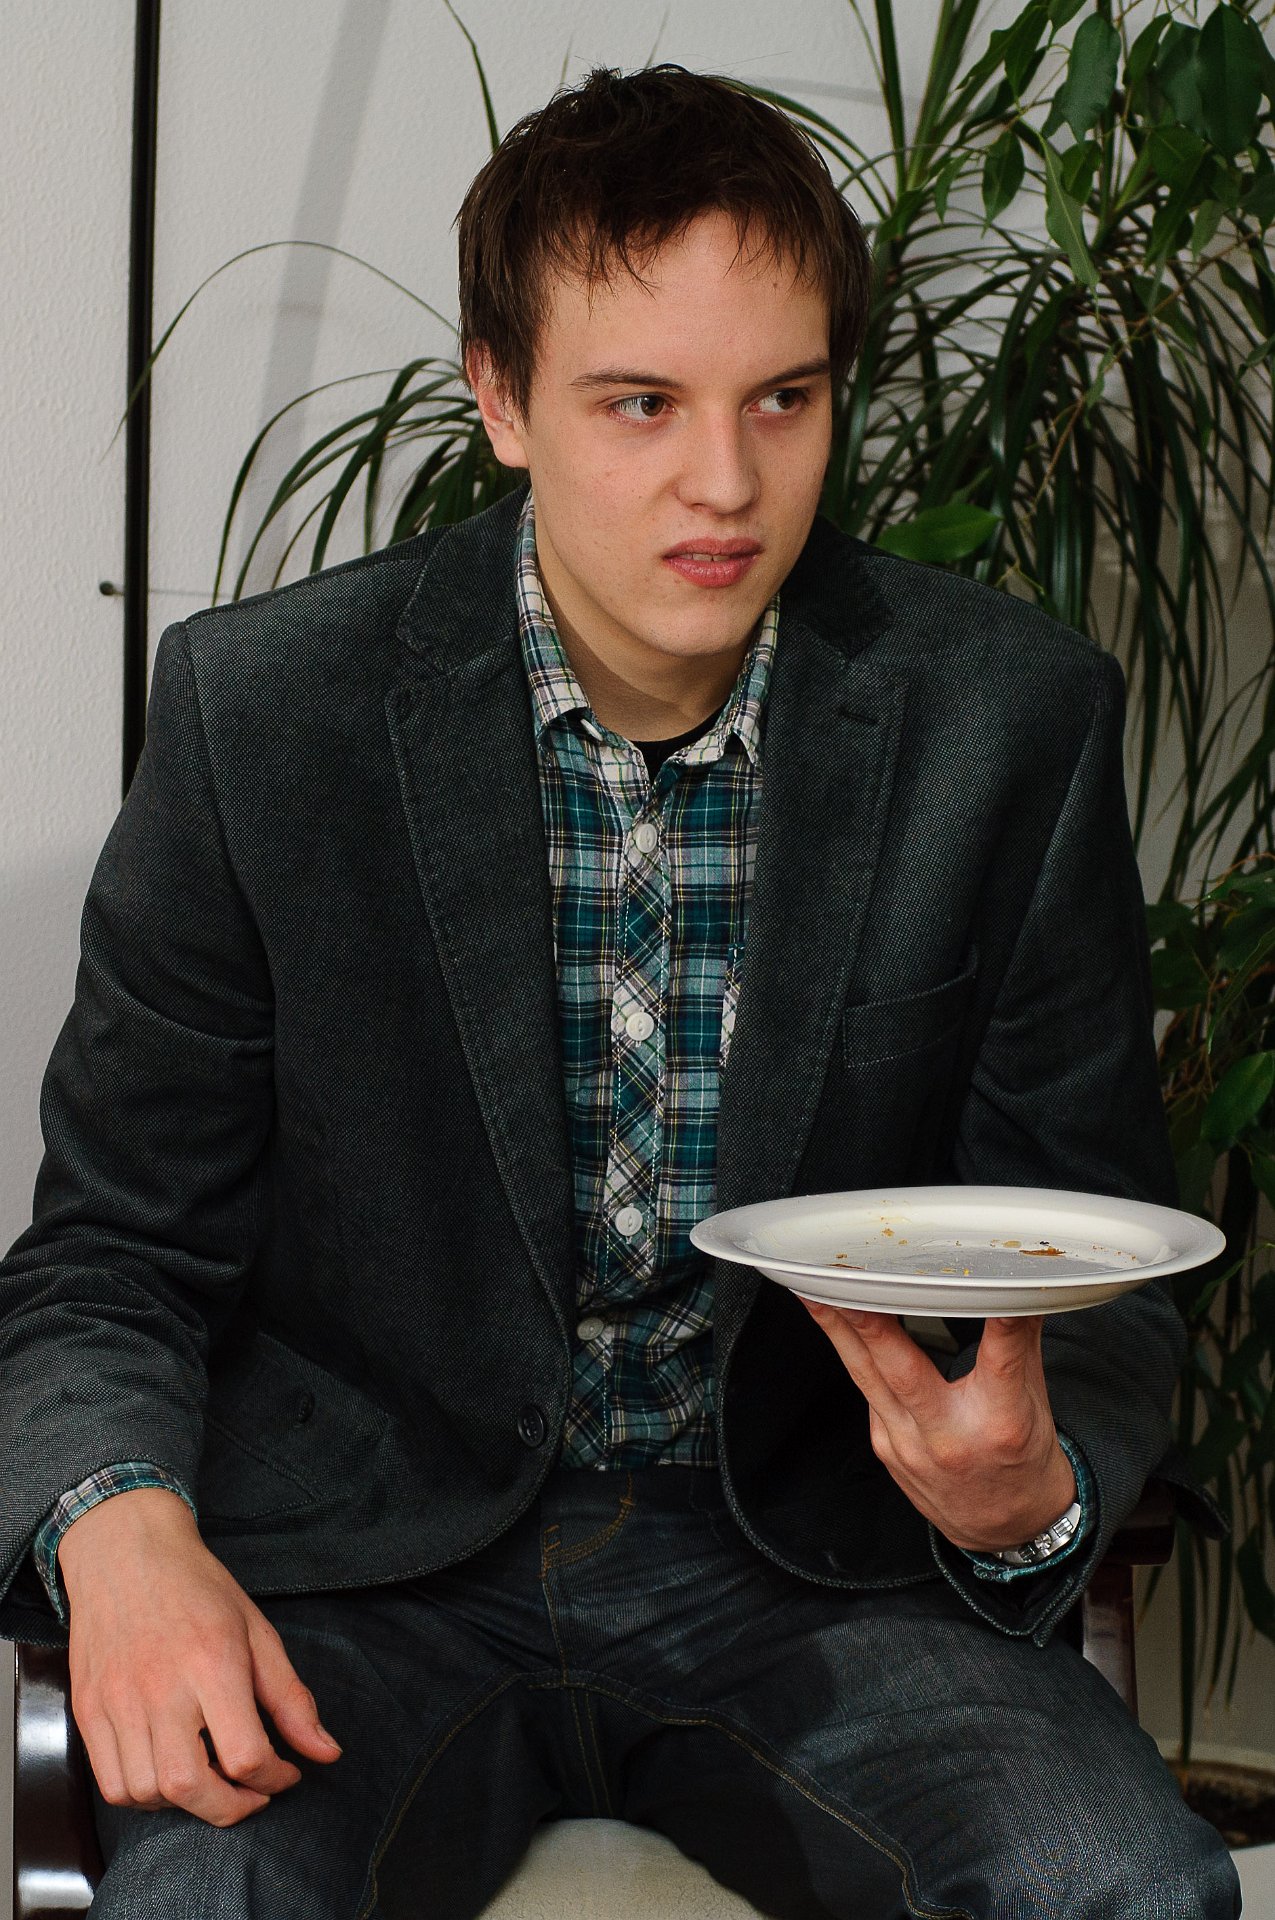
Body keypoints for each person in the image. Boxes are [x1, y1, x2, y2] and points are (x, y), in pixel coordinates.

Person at [0, 61, 1240, 1920]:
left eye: (784, 399)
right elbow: (111, 1251)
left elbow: (1096, 1245)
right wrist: (119, 1529)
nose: (725, 483)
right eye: (640, 402)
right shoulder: (266, 717)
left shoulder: (1005, 722)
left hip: (818, 1562)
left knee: (1121, 1886)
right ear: (500, 398)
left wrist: (1031, 1495)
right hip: (369, 1570)